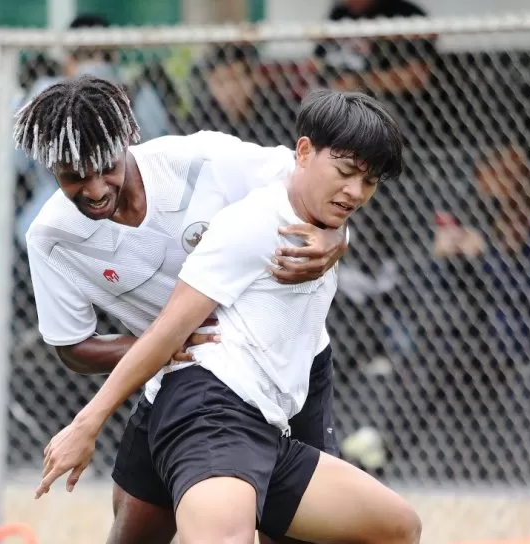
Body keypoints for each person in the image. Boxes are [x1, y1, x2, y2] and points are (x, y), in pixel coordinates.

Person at [35, 89, 421, 544]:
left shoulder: (208, 164)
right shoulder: (54, 237)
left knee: (398, 528)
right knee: (141, 528)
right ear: (52, 170)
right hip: (206, 397)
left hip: (281, 395)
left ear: (126, 145)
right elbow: (136, 337)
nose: (96, 188)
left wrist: (339, 239)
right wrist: (88, 421)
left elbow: (316, 184)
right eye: (76, 176)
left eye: (106, 168)